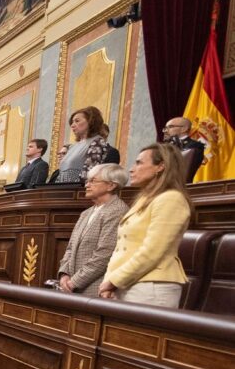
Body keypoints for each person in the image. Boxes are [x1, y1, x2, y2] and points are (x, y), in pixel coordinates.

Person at [99, 144, 192, 307]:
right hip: (126, 282)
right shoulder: (144, 199)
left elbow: (152, 251)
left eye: (139, 163)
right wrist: (109, 280)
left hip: (152, 287)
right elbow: (121, 248)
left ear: (161, 167)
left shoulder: (171, 199)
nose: (131, 169)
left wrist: (113, 280)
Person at [56, 163, 129, 295]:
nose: (86, 185)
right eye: (87, 181)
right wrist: (64, 274)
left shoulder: (117, 211)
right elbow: (70, 248)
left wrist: (74, 282)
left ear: (111, 185)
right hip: (72, 287)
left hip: (94, 288)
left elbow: (104, 255)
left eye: (93, 181)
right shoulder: (86, 213)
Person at [54, 106, 111, 184]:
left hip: (79, 191)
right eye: (72, 122)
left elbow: (90, 173)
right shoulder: (72, 147)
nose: (72, 125)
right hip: (63, 189)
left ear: (91, 121)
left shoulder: (97, 142)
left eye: (77, 121)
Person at [162, 117, 206, 183]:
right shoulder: (163, 147)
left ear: (184, 129)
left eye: (170, 127)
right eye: (165, 128)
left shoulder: (194, 146)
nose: (165, 131)